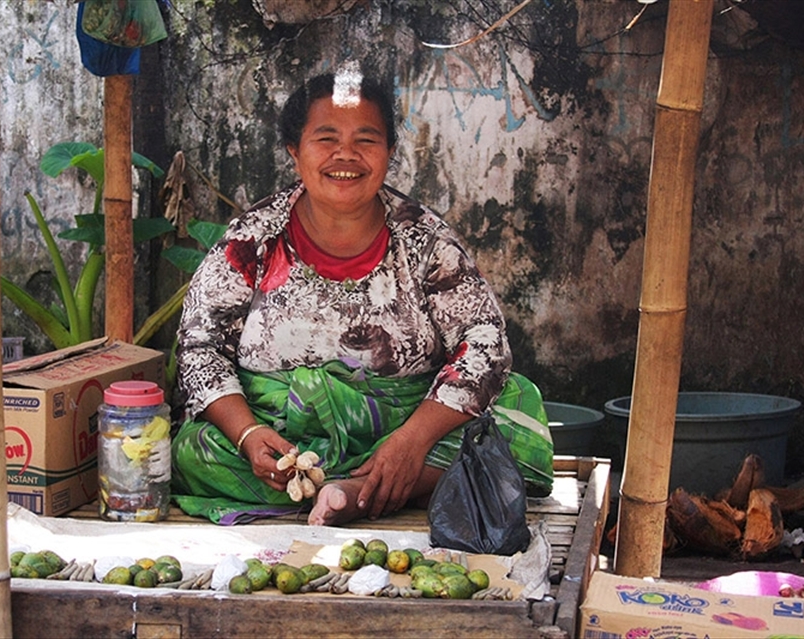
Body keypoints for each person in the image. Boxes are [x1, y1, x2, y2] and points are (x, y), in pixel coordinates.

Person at [171, 70, 553, 526]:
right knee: (195, 451)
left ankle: (360, 486)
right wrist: (249, 433)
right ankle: (375, 488)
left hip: (404, 424)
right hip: (283, 433)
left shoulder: (425, 242)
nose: (345, 155)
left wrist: (412, 440)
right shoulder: (252, 239)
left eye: (366, 140)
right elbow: (200, 346)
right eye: (325, 138)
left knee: (514, 411)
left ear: (389, 153)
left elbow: (485, 342)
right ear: (295, 152)